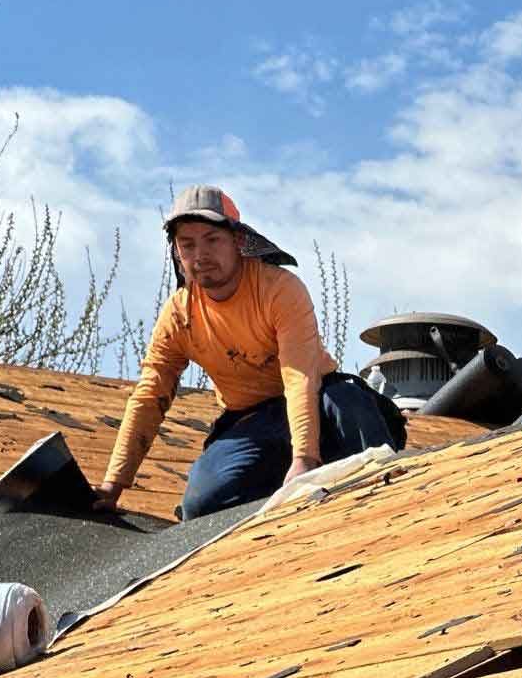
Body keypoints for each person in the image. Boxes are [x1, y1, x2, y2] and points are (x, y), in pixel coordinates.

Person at [92, 187, 405, 519]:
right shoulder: (179, 316)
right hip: (252, 422)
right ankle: (284, 490)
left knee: (350, 404)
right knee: (201, 505)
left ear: (238, 242)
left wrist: (305, 460)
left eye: (212, 239)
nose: (200, 255)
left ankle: (389, 498)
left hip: (319, 401)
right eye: (188, 245)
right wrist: (114, 484)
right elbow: (150, 394)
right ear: (176, 252)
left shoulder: (279, 289)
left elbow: (299, 378)